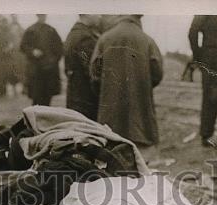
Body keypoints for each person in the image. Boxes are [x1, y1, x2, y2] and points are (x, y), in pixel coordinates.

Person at [91, 15, 163, 146]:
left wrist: (106, 92)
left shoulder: (104, 38)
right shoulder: (147, 40)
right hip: (141, 120)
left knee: (111, 156)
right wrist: (142, 85)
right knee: (140, 158)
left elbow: (95, 75)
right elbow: (157, 74)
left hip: (110, 120)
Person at [188, 15, 217, 147]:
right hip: (210, 60)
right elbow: (192, 33)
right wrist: (198, 57)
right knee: (211, 97)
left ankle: (209, 133)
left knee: (216, 98)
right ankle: (206, 136)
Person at [63, 14, 102, 119]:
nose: (99, 17)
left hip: (76, 96)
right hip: (86, 98)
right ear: (88, 15)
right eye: (97, 14)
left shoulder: (74, 33)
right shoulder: (84, 37)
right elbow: (91, 69)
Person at [21, 14, 63, 107]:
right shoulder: (31, 30)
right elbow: (23, 46)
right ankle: (35, 116)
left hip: (50, 68)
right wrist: (32, 51)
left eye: (44, 15)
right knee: (37, 95)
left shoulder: (51, 30)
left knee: (48, 94)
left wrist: (54, 59)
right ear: (37, 16)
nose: (43, 17)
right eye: (41, 15)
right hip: (36, 68)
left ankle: (45, 114)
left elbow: (59, 47)